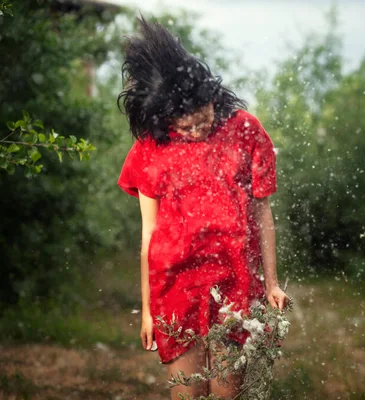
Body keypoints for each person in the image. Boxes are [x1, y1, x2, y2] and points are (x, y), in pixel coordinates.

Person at [116, 17, 290, 400]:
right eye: (187, 127)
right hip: (176, 285)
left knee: (228, 394)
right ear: (165, 117)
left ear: (212, 95)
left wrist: (272, 282)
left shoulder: (245, 130)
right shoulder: (152, 147)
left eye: (203, 119)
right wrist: (147, 310)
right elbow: (149, 235)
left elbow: (262, 213)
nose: (198, 132)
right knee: (187, 395)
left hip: (236, 281)